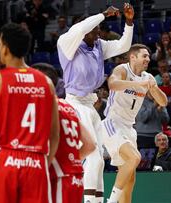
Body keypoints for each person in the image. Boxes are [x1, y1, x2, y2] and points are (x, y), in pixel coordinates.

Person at [0, 23, 60, 203]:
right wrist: (43, 164)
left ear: (6, 48)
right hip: (36, 161)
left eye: (0, 43)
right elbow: (54, 135)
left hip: (7, 159)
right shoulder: (47, 82)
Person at [57, 3, 135, 202]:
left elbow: (123, 46)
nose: (98, 33)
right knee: (93, 155)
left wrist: (128, 22)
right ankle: (90, 200)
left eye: (99, 30)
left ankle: (96, 199)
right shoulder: (66, 43)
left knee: (99, 158)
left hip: (91, 105)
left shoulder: (98, 45)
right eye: (94, 30)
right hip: (74, 103)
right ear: (83, 31)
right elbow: (81, 28)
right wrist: (102, 14)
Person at [102, 44, 167, 203]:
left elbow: (163, 102)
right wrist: (138, 85)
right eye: (144, 55)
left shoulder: (148, 78)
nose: (147, 58)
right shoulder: (122, 70)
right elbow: (113, 84)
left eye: (148, 56)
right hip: (112, 122)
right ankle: (111, 201)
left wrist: (153, 88)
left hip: (130, 128)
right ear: (133, 57)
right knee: (134, 158)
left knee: (130, 177)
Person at [32, 63, 96, 203]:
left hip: (59, 176)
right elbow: (90, 144)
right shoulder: (67, 107)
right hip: (75, 177)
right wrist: (70, 161)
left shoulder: (45, 105)